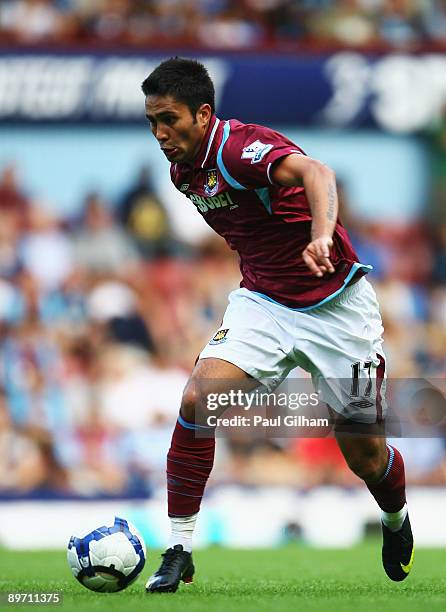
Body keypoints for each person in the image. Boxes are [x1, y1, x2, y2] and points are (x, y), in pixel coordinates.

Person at [141, 57, 413, 593]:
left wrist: (321, 233)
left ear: (202, 114)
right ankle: (179, 550)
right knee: (199, 400)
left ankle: (395, 520)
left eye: (169, 119)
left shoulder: (240, 149)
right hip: (263, 303)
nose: (160, 133)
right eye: (151, 121)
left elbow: (318, 173)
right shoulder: (181, 172)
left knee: (364, 455)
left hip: (336, 307)